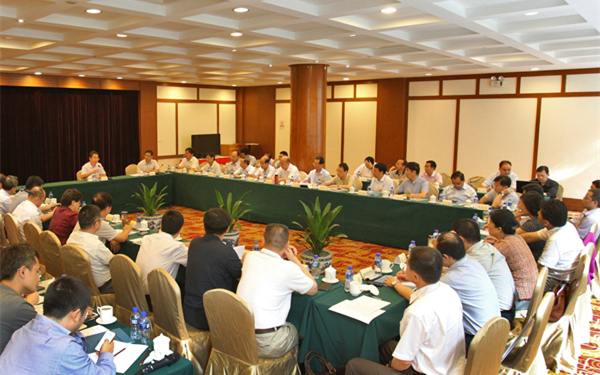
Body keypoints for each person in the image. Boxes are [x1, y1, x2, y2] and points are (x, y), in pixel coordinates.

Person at [347, 247, 465, 375]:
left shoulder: (417, 312)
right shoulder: (448, 291)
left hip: (425, 371)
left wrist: (390, 364)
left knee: (354, 365)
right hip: (449, 365)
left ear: (415, 276)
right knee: (383, 346)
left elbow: (402, 363)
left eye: (407, 266)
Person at [0, 277, 116, 374]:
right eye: (84, 314)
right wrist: (106, 354)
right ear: (75, 315)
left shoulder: (25, 328)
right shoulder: (65, 348)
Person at [237, 224, 317, 358]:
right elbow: (313, 288)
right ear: (287, 245)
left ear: (262, 241)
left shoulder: (250, 257)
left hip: (240, 335)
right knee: (297, 331)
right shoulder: (290, 268)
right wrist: (294, 259)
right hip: (266, 343)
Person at [435, 232, 499, 352]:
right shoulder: (472, 262)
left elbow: (425, 297)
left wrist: (395, 283)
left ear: (445, 257)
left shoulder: (451, 279)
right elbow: (449, 274)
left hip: (476, 342)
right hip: (495, 334)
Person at [184, 208, 242, 330]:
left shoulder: (194, 243)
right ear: (227, 229)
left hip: (189, 311)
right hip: (212, 318)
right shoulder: (226, 251)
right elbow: (240, 276)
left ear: (204, 226)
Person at [452, 219, 516, 321]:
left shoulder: (475, 258)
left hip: (497, 316)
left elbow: (453, 277)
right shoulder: (485, 247)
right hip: (504, 310)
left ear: (460, 239)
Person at [520, 199, 585, 292]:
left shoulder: (556, 239)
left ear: (546, 222)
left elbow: (541, 268)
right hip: (562, 274)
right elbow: (530, 237)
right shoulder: (565, 226)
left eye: (540, 213)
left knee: (519, 284)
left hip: (557, 281)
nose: (538, 212)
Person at [484, 210, 538, 311]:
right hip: (531, 291)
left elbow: (484, 262)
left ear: (499, 229)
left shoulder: (504, 245)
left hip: (520, 296)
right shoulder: (517, 238)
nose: (487, 226)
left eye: (490, 223)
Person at [136, 210, 188, 299]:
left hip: (136, 292)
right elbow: (195, 261)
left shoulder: (146, 239)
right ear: (180, 230)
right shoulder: (177, 248)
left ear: (161, 225)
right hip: (157, 298)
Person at [0, 244, 40, 354]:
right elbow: (48, 339)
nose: (38, 278)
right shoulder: (18, 307)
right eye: (37, 271)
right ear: (22, 272)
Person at [67, 205, 114, 294]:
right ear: (96, 224)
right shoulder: (96, 245)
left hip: (79, 282)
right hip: (103, 287)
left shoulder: (72, 237)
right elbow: (114, 262)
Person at [514, 193, 547, 261]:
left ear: (529, 207)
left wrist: (513, 217)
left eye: (522, 205)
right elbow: (519, 226)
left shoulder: (532, 224)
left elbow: (509, 234)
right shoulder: (535, 219)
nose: (520, 207)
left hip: (531, 257)